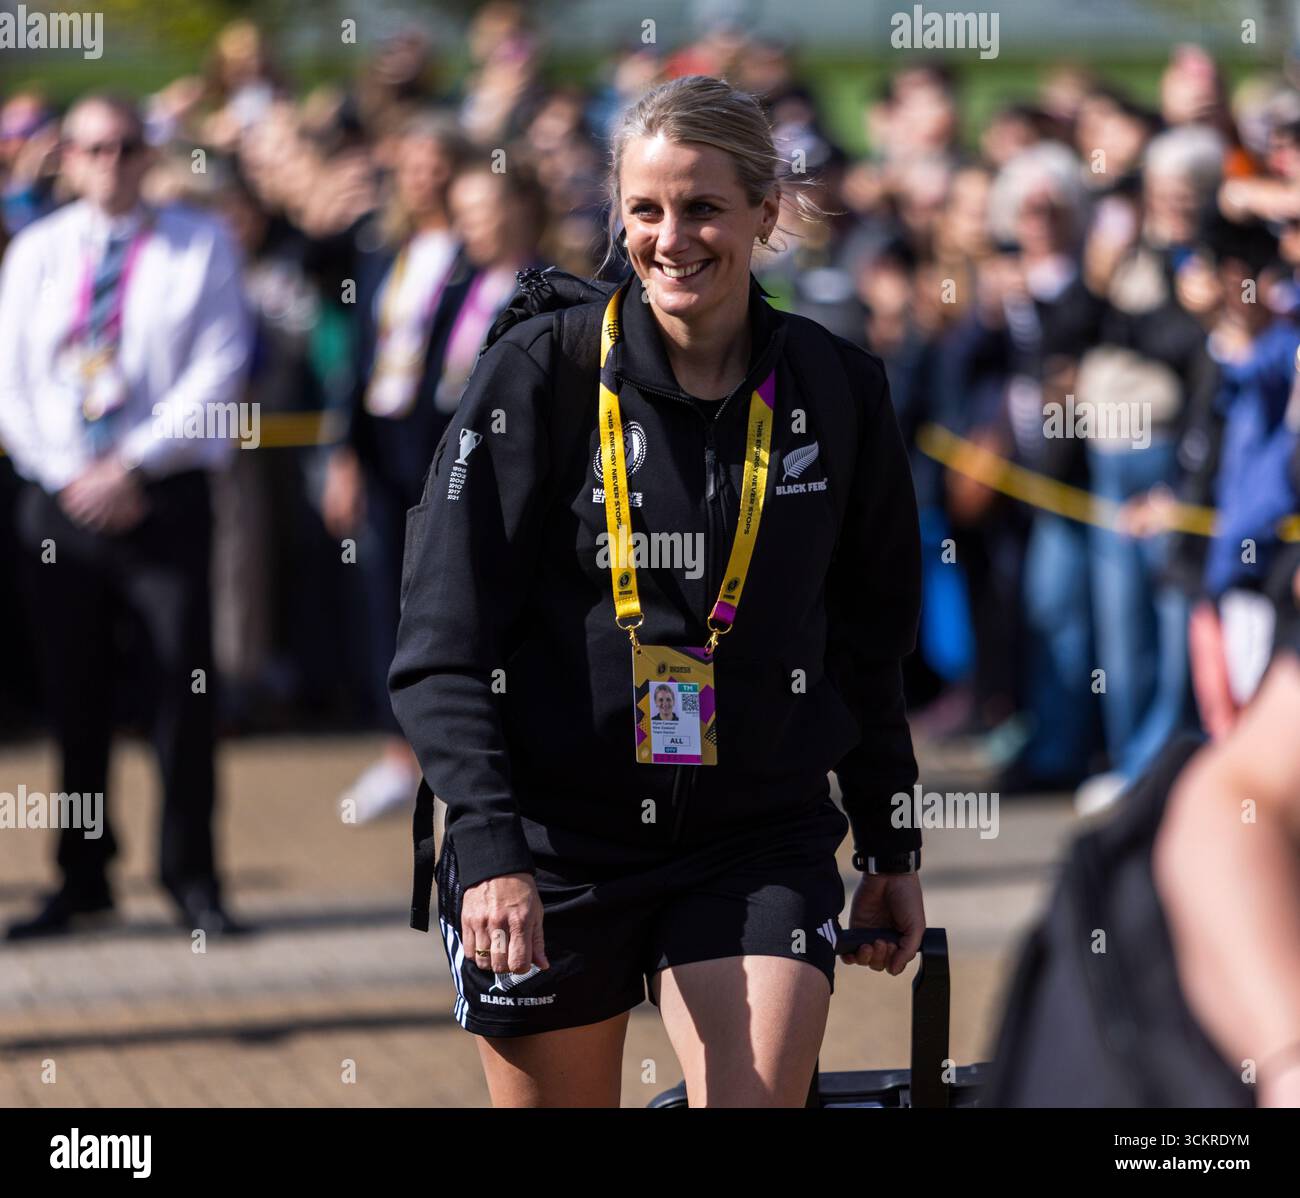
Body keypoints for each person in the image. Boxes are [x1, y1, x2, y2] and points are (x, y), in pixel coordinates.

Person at [390, 75, 926, 1107]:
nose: (672, 238)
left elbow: (868, 641)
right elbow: (441, 641)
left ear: (766, 211)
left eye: (704, 207)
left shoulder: (837, 387)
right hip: (552, 838)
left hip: (752, 834)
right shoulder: (536, 373)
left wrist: (889, 839)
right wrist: (493, 848)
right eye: (645, 209)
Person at [0, 94, 252, 938]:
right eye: (93, 148)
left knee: (183, 688)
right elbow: (15, 385)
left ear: (148, 155)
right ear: (68, 159)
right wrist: (76, 473)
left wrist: (132, 463)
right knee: (72, 691)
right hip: (61, 496)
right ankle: (81, 875)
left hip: (163, 494)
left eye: (125, 147)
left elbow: (219, 367)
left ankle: (192, 877)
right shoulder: (37, 250)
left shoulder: (199, 243)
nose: (110, 162)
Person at [323, 110, 474, 823]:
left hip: (445, 447)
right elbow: (356, 361)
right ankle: (396, 752)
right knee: (383, 596)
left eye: (437, 166)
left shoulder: (480, 257)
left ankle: (455, 755)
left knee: (449, 600)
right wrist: (343, 455)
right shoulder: (384, 252)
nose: (424, 180)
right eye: (411, 168)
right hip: (382, 447)